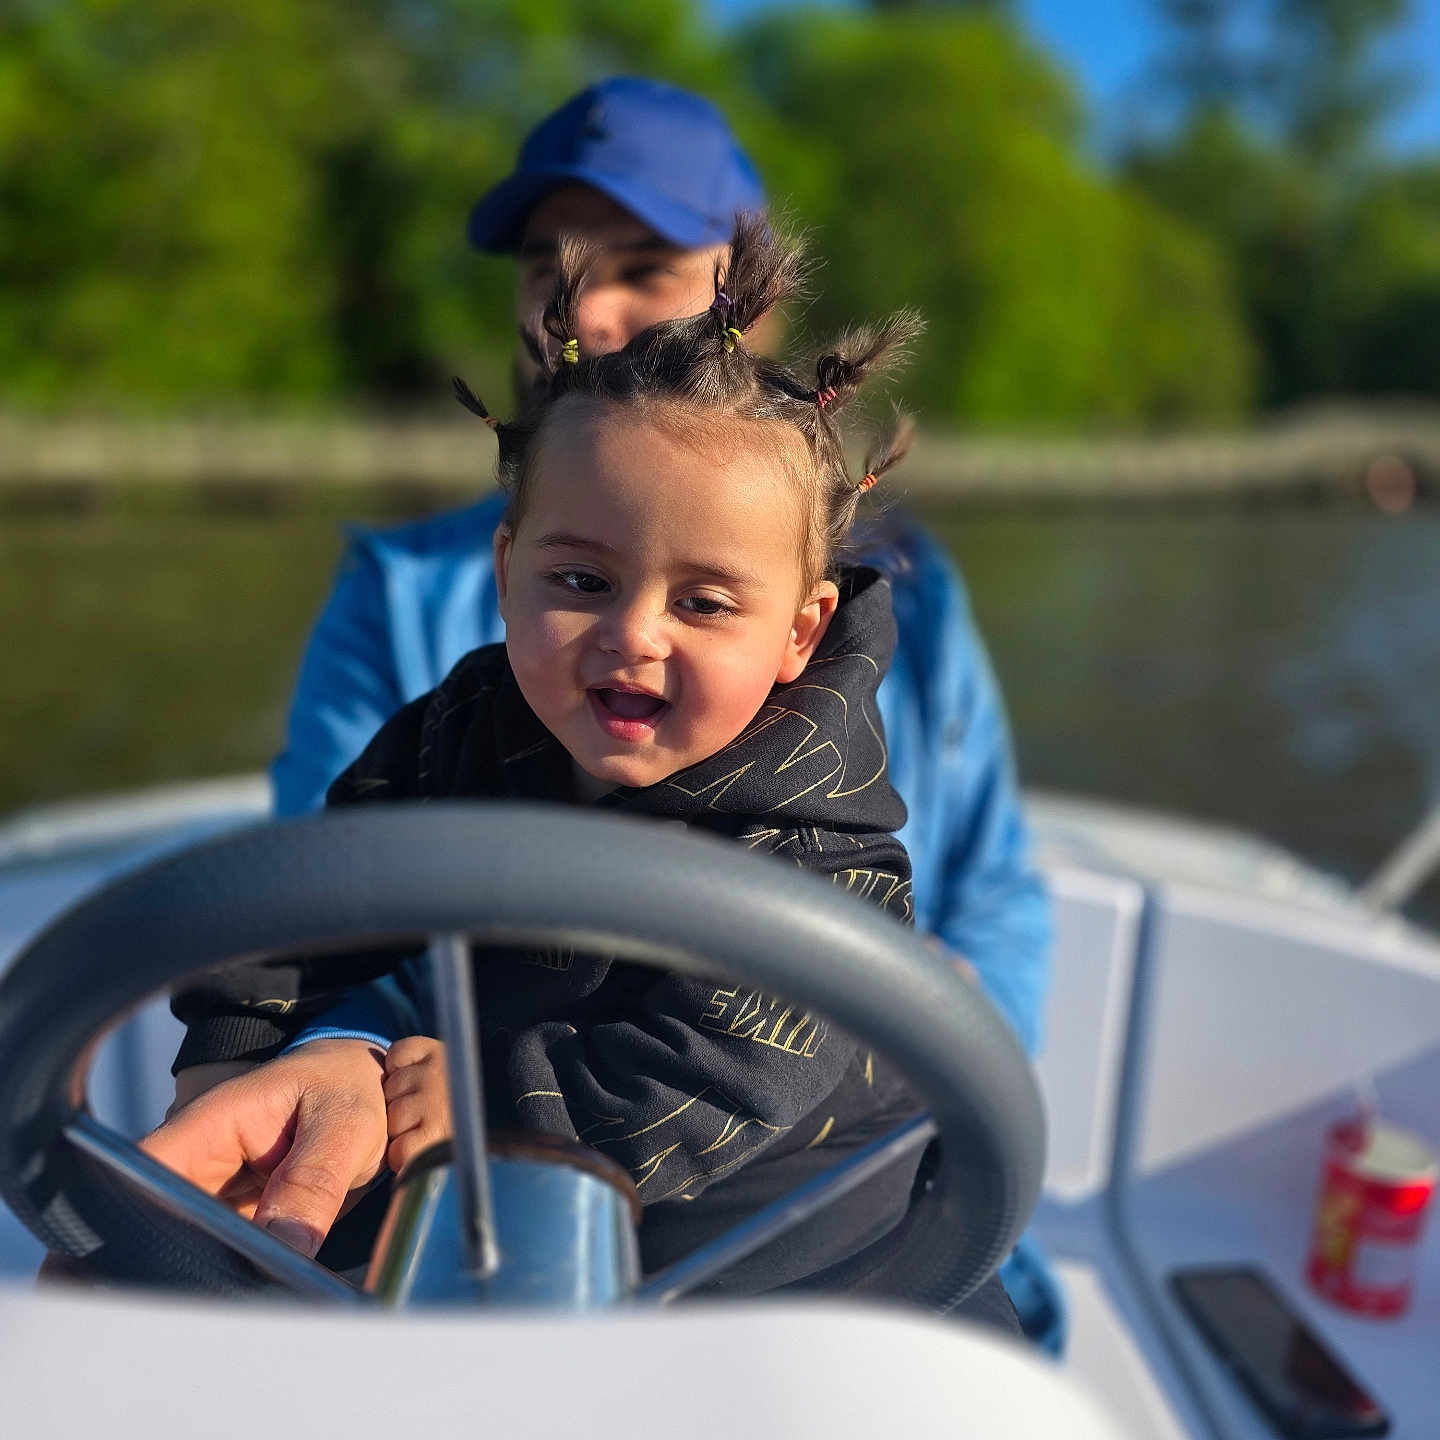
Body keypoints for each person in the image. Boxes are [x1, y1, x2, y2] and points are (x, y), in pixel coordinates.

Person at [156, 77, 1059, 1343]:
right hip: (493, 1191)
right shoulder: (430, 662)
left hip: (830, 1259)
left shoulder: (851, 734)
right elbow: (311, 896)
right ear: (507, 570)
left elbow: (905, 949)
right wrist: (272, 1067)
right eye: (554, 268)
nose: (631, 636)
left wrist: (968, 1050)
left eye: (645, 264)